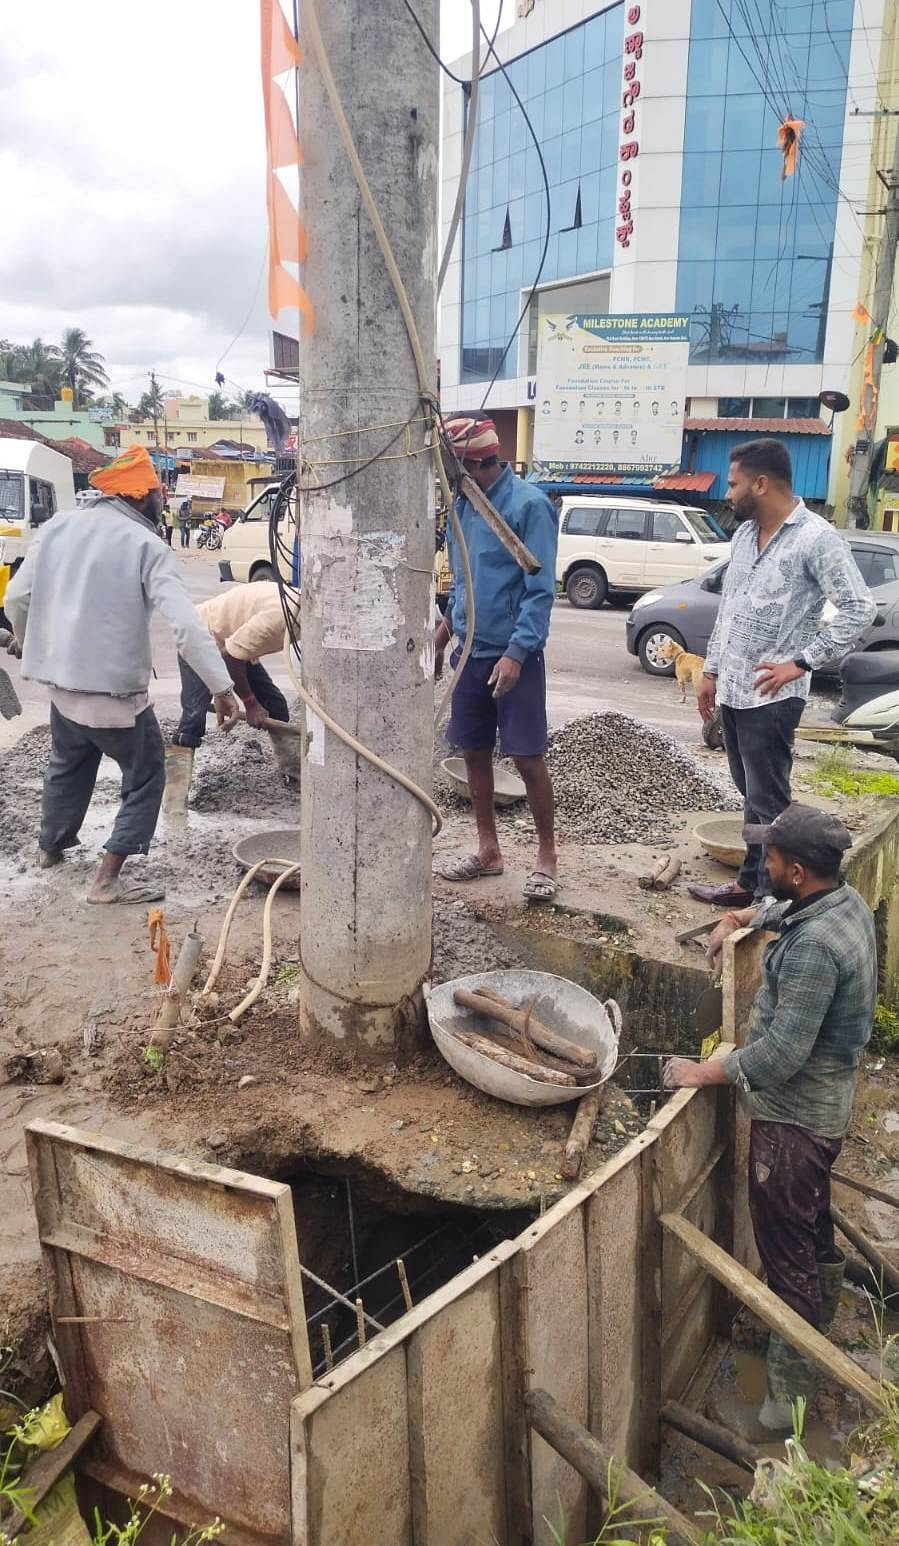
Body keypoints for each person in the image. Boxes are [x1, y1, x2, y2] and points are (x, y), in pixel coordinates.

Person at [665, 804, 875, 1441]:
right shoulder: (842, 904)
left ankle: (784, 1407)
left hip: (793, 1125)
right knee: (809, 1234)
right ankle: (813, 1328)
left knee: (787, 1263)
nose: (766, 864)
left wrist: (701, 1073)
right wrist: (742, 914)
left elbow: (782, 1054)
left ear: (798, 869)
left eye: (774, 859)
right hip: (825, 1111)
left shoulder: (812, 951)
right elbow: (786, 910)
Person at [4, 445, 239, 903]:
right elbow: (187, 630)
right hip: (114, 697)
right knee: (147, 773)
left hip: (60, 688)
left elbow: (16, 598)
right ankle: (106, 880)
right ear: (139, 494)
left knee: (66, 766)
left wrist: (26, 638)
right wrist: (222, 687)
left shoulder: (57, 527)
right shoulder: (146, 544)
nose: (162, 497)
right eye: (157, 491)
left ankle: (50, 849)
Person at [690, 439, 875, 908]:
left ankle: (773, 903)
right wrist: (710, 671)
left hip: (773, 697)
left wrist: (803, 661)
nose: (728, 493)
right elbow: (729, 610)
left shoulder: (816, 538)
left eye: (733, 484)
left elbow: (859, 608)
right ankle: (751, 885)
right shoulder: (744, 536)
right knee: (751, 795)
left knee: (770, 802)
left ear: (760, 483)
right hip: (733, 689)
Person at [434, 416, 559, 901]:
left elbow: (541, 591)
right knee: (473, 754)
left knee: (527, 757)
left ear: (473, 463)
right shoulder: (464, 505)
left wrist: (516, 652)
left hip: (514, 658)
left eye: (451, 466)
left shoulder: (530, 505)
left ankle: (547, 859)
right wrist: (446, 630)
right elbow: (464, 580)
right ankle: (489, 851)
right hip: (470, 653)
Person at [171, 581, 300, 785]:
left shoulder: (306, 615)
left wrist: (223, 692)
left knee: (276, 706)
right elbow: (230, 657)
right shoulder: (281, 617)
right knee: (193, 717)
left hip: (232, 643)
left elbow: (234, 652)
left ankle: (293, 778)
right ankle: (176, 791)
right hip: (198, 634)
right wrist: (250, 704)